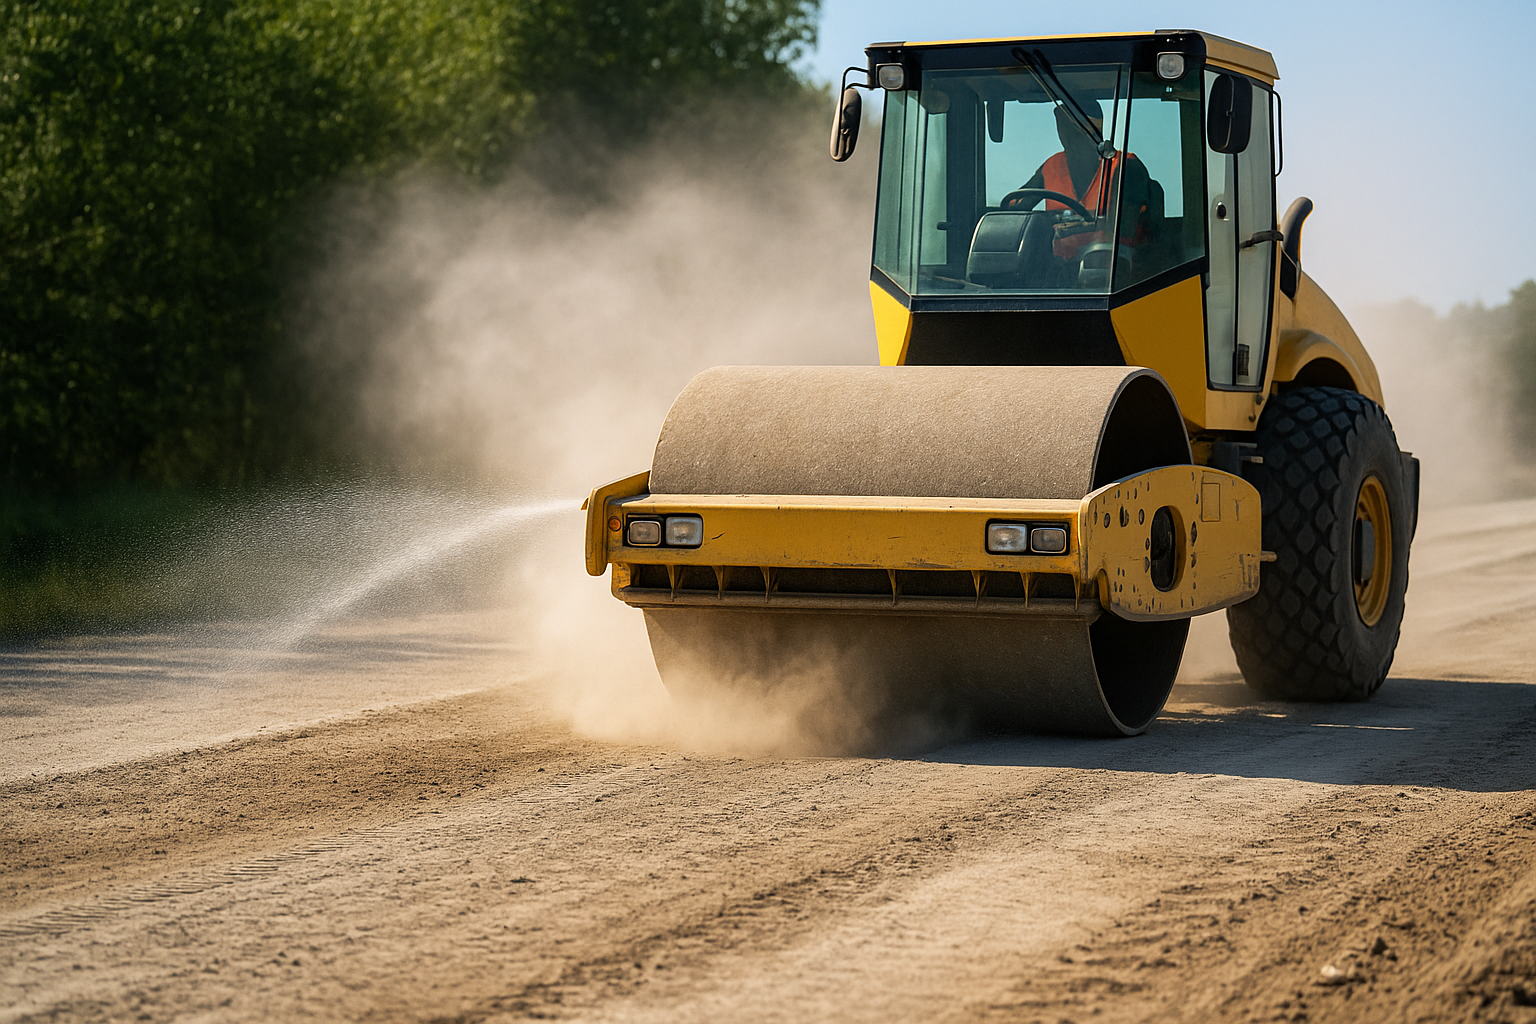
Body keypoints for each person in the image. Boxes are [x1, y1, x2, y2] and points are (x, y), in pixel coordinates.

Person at [1007, 99, 1157, 267]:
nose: (1064, 134)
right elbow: (1014, 206)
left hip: (1114, 266)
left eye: (1069, 127)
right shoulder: (1053, 166)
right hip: (1060, 267)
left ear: (1090, 130)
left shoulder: (1125, 166)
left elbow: (1122, 225)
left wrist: (1063, 225)